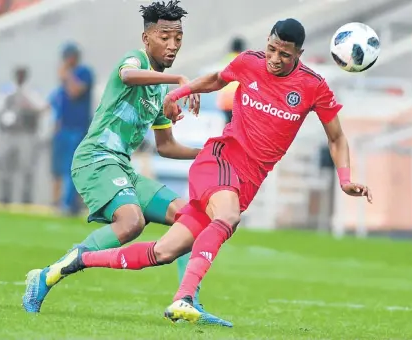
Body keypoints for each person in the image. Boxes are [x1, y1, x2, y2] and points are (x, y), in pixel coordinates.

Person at [43, 18, 374, 324]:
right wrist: (178, 92)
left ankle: (76, 261)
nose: (274, 58)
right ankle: (184, 298)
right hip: (220, 159)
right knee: (228, 217)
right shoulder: (249, 62)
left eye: (284, 55)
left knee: (162, 252)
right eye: (271, 49)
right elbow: (217, 79)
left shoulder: (314, 87)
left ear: (298, 54)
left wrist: (345, 180)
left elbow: (337, 137)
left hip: (248, 180)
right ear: (267, 43)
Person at [22, 0, 232, 327]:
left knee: (192, 217)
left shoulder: (159, 92)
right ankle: (49, 275)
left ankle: (187, 300)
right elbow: (127, 74)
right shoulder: (134, 60)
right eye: (165, 36)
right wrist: (180, 79)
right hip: (95, 160)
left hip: (121, 168)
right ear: (147, 38)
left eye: (178, 37)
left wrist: (208, 150)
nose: (173, 44)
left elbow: (166, 146)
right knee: (131, 221)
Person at [51, 43, 94, 215]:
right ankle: (62, 202)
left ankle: (70, 205)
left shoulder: (84, 73)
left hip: (78, 128)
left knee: (73, 167)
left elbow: (75, 92)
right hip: (64, 128)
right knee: (60, 167)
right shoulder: (67, 77)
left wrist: (67, 76)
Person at [0, 66, 46, 204]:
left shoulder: (32, 91)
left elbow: (40, 107)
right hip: (9, 134)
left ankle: (26, 199)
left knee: (27, 167)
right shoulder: (7, 90)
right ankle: (5, 198)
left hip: (26, 134)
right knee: (6, 167)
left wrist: (26, 100)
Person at [217, 37, 247, 123]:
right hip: (237, 100)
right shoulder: (243, 59)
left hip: (224, 100)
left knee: (228, 125)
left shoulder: (225, 60)